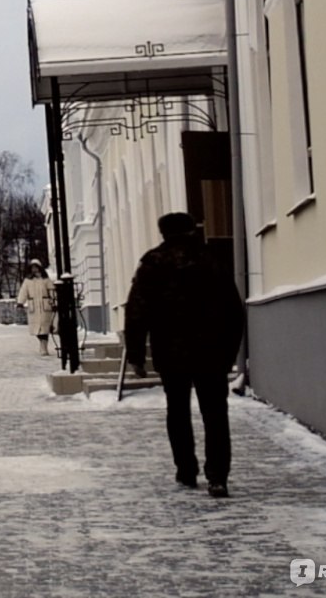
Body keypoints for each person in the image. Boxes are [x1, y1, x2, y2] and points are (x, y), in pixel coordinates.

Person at [124, 211, 245, 499]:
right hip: (211, 350)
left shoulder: (152, 263)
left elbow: (136, 311)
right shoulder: (211, 260)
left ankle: (186, 470)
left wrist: (137, 355)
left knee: (177, 411)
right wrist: (230, 350)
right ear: (192, 230)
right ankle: (218, 476)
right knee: (215, 413)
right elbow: (233, 309)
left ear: (163, 232)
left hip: (171, 351)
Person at [17, 260, 57, 355]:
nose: (34, 269)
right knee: (36, 328)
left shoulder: (46, 280)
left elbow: (52, 291)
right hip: (33, 307)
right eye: (32, 267)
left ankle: (44, 347)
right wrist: (20, 302)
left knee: (44, 327)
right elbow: (23, 292)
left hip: (45, 306)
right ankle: (42, 344)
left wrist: (54, 302)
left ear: (40, 268)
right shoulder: (28, 281)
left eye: (36, 267)